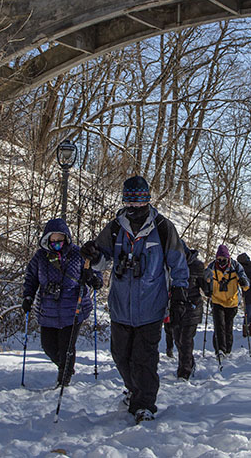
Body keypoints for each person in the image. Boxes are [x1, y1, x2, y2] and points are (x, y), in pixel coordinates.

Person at [80, 175, 189, 423]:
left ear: (148, 199)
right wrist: (93, 255)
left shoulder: (163, 227)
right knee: (121, 355)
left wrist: (180, 293)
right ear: (124, 200)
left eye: (140, 200)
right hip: (120, 307)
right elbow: (102, 261)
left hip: (151, 307)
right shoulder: (115, 227)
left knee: (145, 358)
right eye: (131, 200)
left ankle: (144, 404)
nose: (136, 206)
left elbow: (178, 264)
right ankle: (133, 389)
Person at [21, 217, 102, 388]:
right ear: (47, 239)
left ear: (67, 238)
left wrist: (93, 279)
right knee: (48, 346)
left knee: (67, 347)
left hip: (73, 309)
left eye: (60, 239)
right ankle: (65, 368)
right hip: (47, 309)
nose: (57, 242)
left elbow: (95, 273)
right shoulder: (40, 257)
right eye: (53, 239)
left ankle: (63, 379)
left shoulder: (78, 254)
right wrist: (27, 296)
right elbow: (31, 278)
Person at [204, 244, 249, 357]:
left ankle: (227, 350)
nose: (221, 261)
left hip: (232, 301)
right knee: (219, 325)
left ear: (228, 258)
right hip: (217, 301)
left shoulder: (235, 266)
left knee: (228, 327)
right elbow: (205, 279)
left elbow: (245, 281)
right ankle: (220, 350)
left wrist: (244, 283)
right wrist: (207, 289)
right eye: (219, 259)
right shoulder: (212, 267)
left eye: (223, 259)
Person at [169, 242, 206, 380]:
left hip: (192, 307)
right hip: (177, 308)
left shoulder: (197, 266)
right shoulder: (170, 265)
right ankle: (188, 363)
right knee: (177, 339)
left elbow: (206, 289)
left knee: (185, 340)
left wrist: (209, 282)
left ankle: (185, 371)